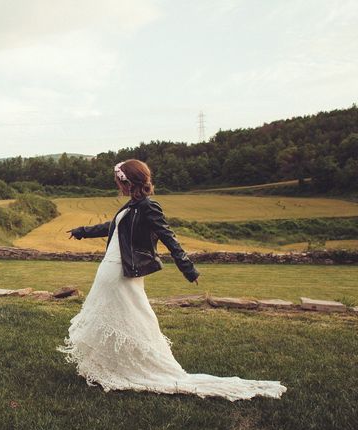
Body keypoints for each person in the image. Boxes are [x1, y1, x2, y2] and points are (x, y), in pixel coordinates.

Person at [59, 160, 286, 401]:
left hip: (120, 273)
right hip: (112, 270)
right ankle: (113, 365)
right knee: (119, 316)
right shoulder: (132, 206)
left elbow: (169, 237)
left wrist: (188, 269)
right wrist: (83, 231)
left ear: (126, 181)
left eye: (117, 181)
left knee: (134, 317)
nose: (116, 185)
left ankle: (136, 367)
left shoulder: (148, 207)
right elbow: (112, 227)